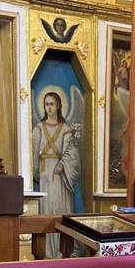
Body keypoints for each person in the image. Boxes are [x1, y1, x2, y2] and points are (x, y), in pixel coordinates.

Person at [32, 92, 81, 257]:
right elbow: (33, 152)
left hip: (61, 175)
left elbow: (72, 153)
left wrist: (63, 164)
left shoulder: (66, 129)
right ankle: (47, 250)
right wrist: (36, 170)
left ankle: (62, 250)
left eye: (52, 104)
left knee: (60, 208)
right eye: (46, 104)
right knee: (47, 208)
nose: (49, 107)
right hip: (45, 174)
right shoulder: (39, 128)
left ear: (58, 105)